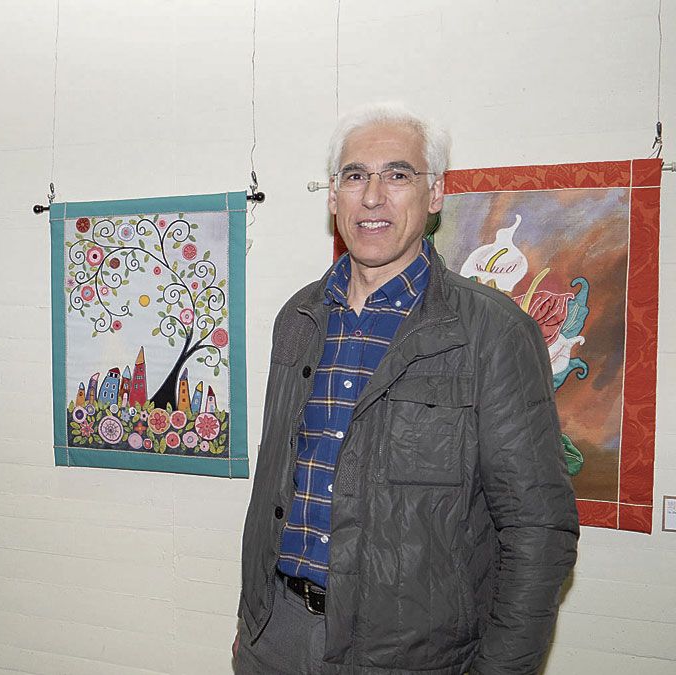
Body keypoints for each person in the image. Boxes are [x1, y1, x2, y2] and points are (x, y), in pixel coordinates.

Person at [235, 103, 578, 674]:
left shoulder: (491, 333)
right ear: (332, 196)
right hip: (277, 640)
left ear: (435, 194)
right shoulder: (299, 317)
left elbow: (538, 529)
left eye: (397, 174)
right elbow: (278, 485)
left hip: (412, 659)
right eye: (354, 176)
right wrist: (253, 629)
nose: (372, 196)